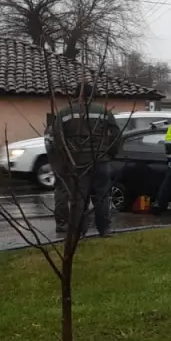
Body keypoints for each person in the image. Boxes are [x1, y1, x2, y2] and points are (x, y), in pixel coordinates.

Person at [45, 84, 122, 237]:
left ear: (75, 95)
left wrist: (65, 158)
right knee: (101, 197)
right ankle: (105, 230)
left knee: (79, 199)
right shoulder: (103, 111)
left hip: (78, 162)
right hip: (101, 160)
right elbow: (116, 135)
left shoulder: (65, 113)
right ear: (93, 95)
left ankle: (80, 232)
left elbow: (57, 138)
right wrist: (110, 154)